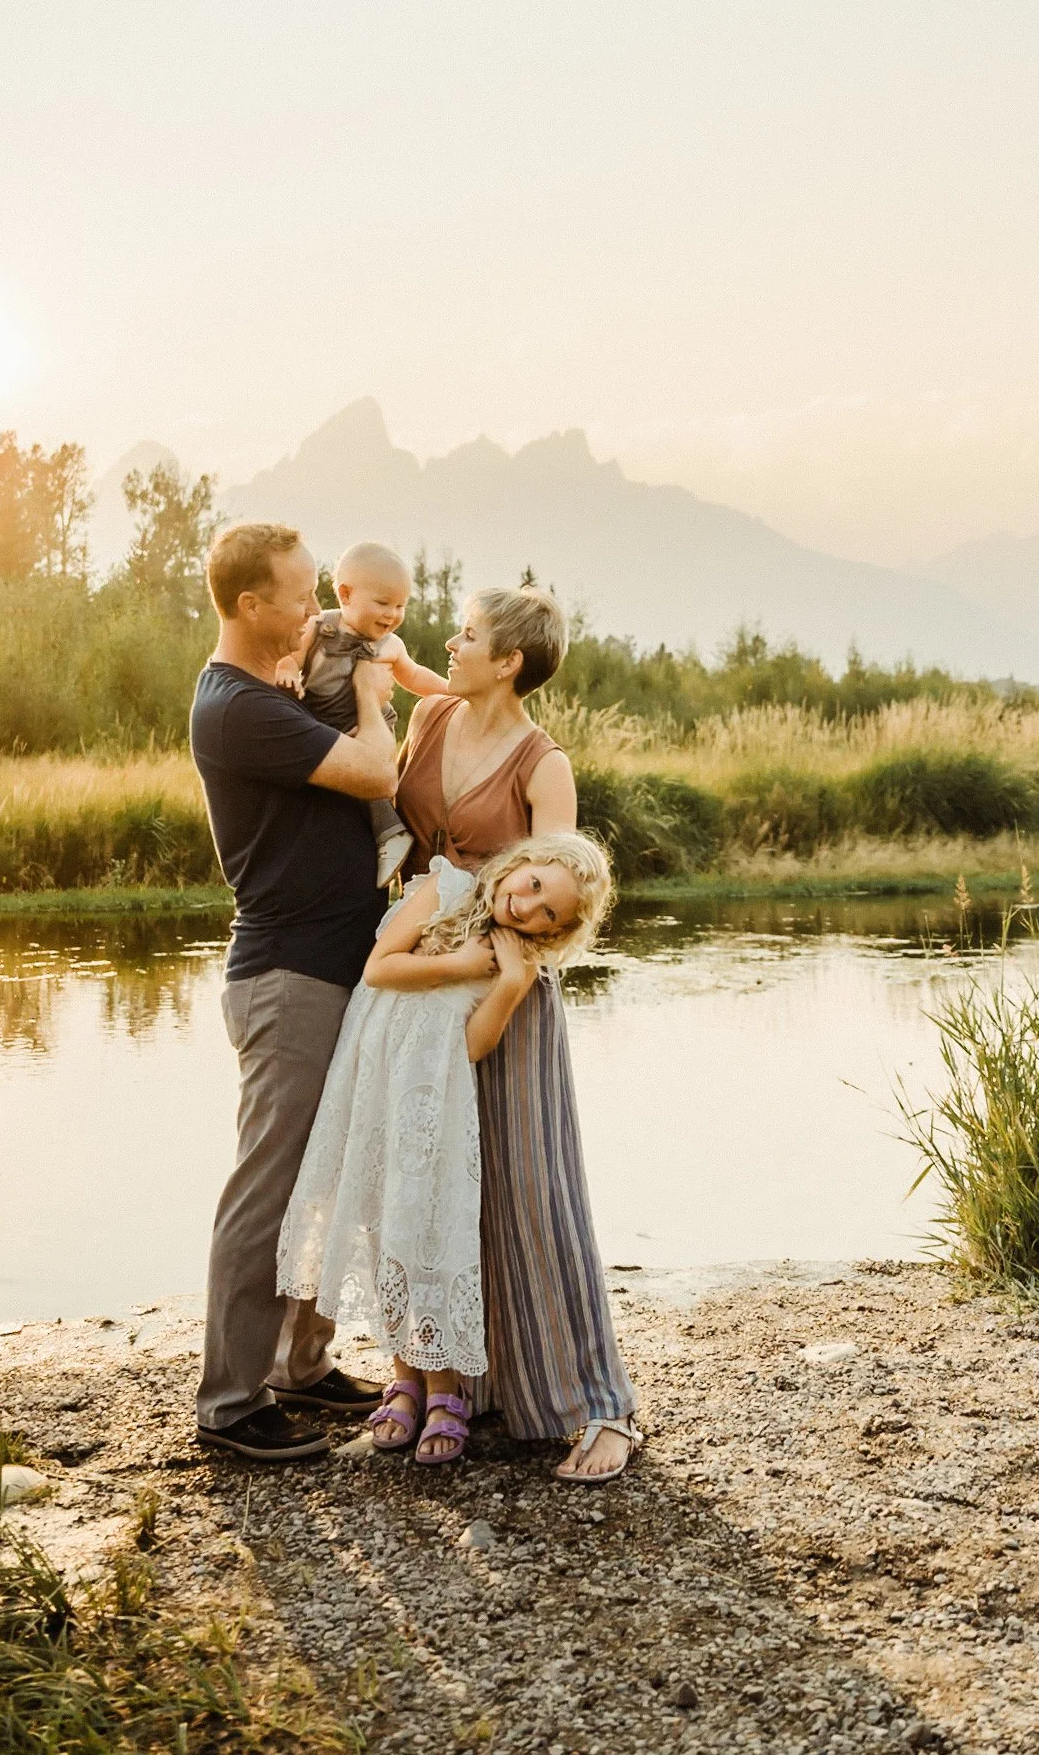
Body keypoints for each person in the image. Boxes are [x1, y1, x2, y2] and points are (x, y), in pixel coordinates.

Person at [395, 584, 641, 1483]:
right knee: (446, 1183)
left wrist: (489, 965)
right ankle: (486, 1384)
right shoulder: (427, 720)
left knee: (532, 1187)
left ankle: (597, 1407)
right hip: (419, 975)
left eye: (467, 637)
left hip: (506, 983)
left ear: (509, 662)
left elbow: (557, 890)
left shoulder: (544, 765)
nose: (450, 645)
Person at [277, 832, 614, 1466]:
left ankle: (444, 1391)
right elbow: (381, 967)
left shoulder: (521, 955)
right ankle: (403, 1381)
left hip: (439, 1101)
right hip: (379, 1079)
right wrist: (464, 964)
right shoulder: (446, 887)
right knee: (387, 1225)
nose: (529, 907)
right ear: (520, 863)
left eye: (550, 914)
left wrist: (511, 984)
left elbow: (474, 1046)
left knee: (434, 1228)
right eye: (535, 885)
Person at [190, 521, 397, 1463]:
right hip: (288, 978)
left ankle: (300, 1369)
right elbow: (373, 770)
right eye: (304, 593)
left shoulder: (273, 690)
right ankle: (229, 1406)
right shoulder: (235, 705)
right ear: (249, 605)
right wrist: (370, 689)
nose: (317, 608)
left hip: (337, 966)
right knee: (268, 1189)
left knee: (332, 1176)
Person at [295, 539, 451, 888]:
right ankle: (378, 840)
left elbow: (414, 675)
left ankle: (392, 837)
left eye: (400, 605)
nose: (392, 614)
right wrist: (287, 670)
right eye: (383, 603)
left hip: (368, 722)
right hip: (320, 722)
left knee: (374, 778)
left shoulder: (390, 645)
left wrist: (452, 690)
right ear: (345, 595)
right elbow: (292, 659)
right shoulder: (319, 628)